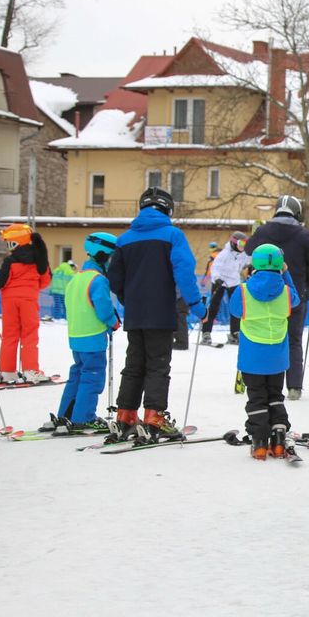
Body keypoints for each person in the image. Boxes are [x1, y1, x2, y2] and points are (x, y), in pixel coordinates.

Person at [107, 188, 206, 443]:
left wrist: (129, 299)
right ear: (168, 209)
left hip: (136, 314)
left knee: (134, 365)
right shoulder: (173, 235)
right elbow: (184, 272)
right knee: (158, 366)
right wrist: (197, 306)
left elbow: (115, 279)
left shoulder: (124, 239)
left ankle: (125, 416)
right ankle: (154, 417)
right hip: (161, 312)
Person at [245, 195, 309, 400]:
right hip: (294, 295)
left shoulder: (263, 231)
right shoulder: (303, 234)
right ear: (296, 213)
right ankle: (294, 386)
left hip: (263, 296)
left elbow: (247, 249)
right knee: (294, 340)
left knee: (263, 336)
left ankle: (263, 382)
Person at [227, 243, 301, 459]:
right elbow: (295, 299)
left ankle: (259, 442)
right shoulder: (286, 293)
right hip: (277, 359)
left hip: (252, 359)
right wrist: (286, 275)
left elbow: (234, 309)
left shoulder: (243, 290)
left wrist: (246, 279)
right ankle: (278, 439)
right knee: (275, 396)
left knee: (257, 398)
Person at [42, 233, 120, 433]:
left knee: (77, 375)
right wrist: (113, 322)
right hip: (93, 338)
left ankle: (66, 414)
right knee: (92, 377)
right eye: (112, 258)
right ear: (103, 256)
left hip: (76, 337)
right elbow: (103, 308)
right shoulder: (97, 280)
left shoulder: (76, 279)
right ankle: (84, 418)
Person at [0, 223, 52, 384]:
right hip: (28, 300)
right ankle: (30, 370)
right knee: (29, 336)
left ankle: (7, 372)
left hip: (10, 301)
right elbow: (46, 280)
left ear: (15, 242)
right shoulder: (40, 258)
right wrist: (31, 287)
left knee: (10, 336)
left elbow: (0, 282)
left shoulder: (10, 261)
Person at [203, 231, 250, 346]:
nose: (242, 247)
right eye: (240, 244)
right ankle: (206, 333)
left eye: (244, 244)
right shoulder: (224, 254)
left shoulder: (243, 254)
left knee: (235, 307)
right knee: (213, 306)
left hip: (233, 281)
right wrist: (217, 278)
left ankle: (234, 333)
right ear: (233, 243)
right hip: (220, 281)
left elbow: (250, 260)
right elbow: (216, 267)